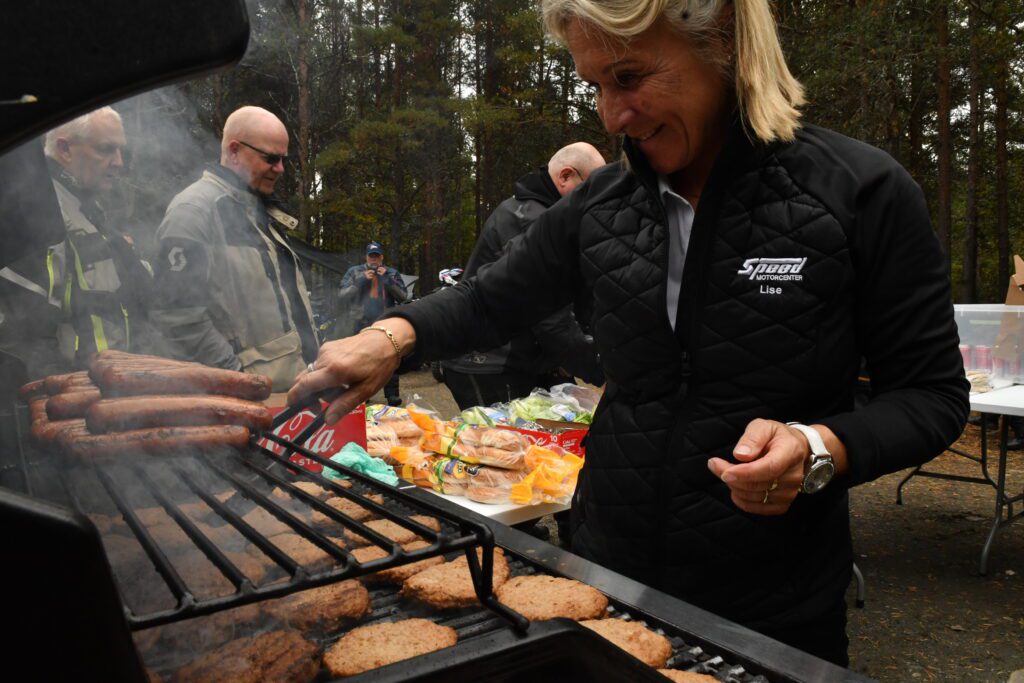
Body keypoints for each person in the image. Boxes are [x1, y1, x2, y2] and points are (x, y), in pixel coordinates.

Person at [289, 0, 969, 667]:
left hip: (774, 604)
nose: (613, 115)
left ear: (721, 38)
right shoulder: (600, 204)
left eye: (629, 77)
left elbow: (932, 395)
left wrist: (820, 445)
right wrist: (394, 334)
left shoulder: (861, 192)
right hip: (604, 583)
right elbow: (490, 300)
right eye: (594, 86)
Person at [151, 106, 318, 389]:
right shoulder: (193, 211)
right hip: (244, 399)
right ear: (234, 150)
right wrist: (236, 376)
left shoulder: (255, 209)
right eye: (271, 158)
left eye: (283, 159)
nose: (280, 169)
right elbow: (177, 319)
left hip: (286, 393)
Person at [442, 142, 607, 410]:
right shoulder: (529, 220)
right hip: (487, 363)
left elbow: (576, 296)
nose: (593, 203)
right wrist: (600, 371)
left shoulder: (552, 218)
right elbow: (549, 316)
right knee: (504, 448)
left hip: (523, 359)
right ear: (565, 176)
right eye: (590, 191)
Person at [0, 107, 161, 375]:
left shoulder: (85, 207)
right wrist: (65, 401)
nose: (119, 161)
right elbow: (25, 337)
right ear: (65, 150)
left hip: (113, 392)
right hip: (76, 401)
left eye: (120, 150)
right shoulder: (39, 214)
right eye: (106, 149)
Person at [337, 241, 408, 405]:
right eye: (371, 256)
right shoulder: (354, 272)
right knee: (360, 358)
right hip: (360, 321)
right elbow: (342, 295)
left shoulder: (391, 273)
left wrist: (387, 280)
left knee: (390, 356)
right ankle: (363, 394)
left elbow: (403, 297)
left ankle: (392, 395)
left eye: (377, 256)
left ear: (382, 257)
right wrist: (361, 281)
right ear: (366, 257)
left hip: (386, 320)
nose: (374, 260)